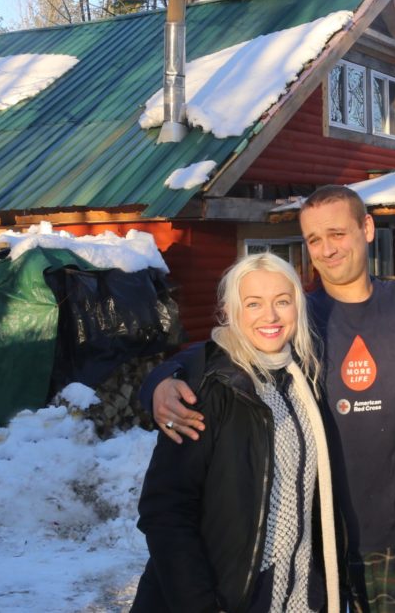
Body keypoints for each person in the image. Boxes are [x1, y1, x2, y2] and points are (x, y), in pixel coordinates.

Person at [141, 185, 395, 612]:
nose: (326, 249)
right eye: (313, 239)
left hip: (391, 535)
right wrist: (160, 380)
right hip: (315, 535)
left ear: (366, 228)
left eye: (337, 233)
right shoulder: (296, 316)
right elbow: (216, 354)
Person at [132, 253, 339, 612]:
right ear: (231, 312)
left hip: (297, 593)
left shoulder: (305, 379)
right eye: (253, 303)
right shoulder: (207, 389)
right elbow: (165, 511)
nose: (270, 316)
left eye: (282, 301)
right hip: (229, 596)